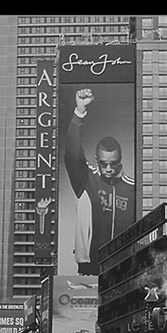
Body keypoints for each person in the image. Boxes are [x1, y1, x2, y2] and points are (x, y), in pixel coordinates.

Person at [64, 88, 135, 275]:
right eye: (104, 164)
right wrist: (79, 112)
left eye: (113, 163)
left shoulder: (133, 189)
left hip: (124, 268)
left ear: (121, 159)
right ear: (96, 160)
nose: (109, 169)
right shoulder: (86, 180)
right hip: (90, 267)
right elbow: (72, 155)